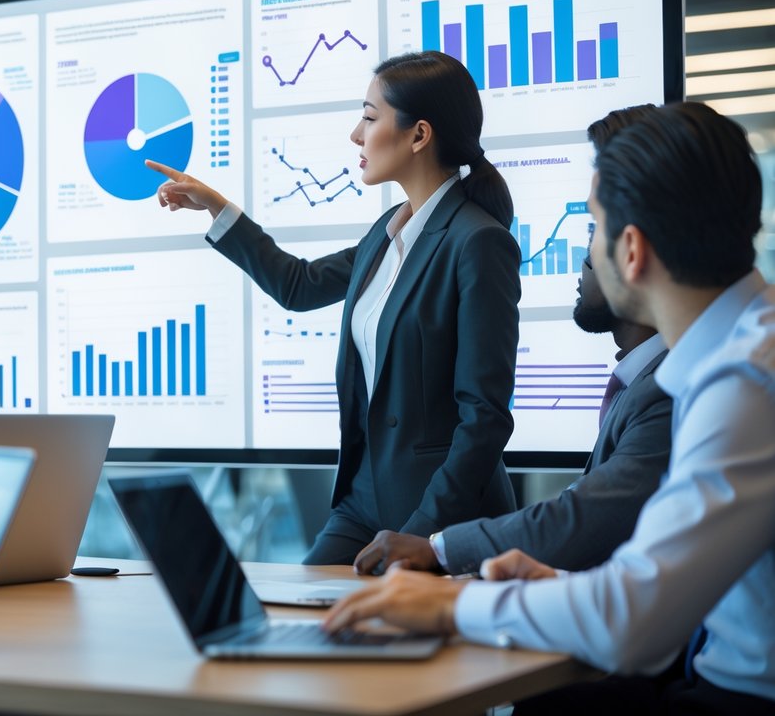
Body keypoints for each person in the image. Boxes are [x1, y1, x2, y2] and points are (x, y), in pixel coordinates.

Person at [322, 101, 775, 715]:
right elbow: (664, 581)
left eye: (593, 225)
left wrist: (449, 604)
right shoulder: (744, 348)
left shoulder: (745, 381)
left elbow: (635, 625)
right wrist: (564, 587)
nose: (588, 246)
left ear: (632, 250)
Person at [149, 50, 521, 564]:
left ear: (419, 135)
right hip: (362, 503)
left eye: (370, 118)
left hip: (441, 515)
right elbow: (298, 286)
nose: (356, 135)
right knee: (295, 614)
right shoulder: (387, 231)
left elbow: (485, 416)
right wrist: (218, 207)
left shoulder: (477, 241)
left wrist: (424, 534)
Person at [353, 104, 672, 576]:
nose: (584, 257)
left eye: (594, 228)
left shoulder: (674, 390)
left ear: (633, 247)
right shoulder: (652, 380)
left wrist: (438, 552)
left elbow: (586, 524)